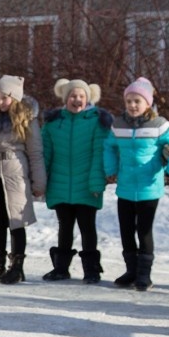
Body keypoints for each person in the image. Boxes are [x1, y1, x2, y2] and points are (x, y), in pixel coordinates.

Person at [103, 77, 169, 291]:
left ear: (147, 103)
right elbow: (108, 146)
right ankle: (131, 270)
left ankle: (144, 275)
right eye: (129, 101)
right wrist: (111, 169)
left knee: (143, 231)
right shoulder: (118, 125)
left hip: (149, 188)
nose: (133, 105)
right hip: (125, 187)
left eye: (137, 101)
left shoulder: (159, 125)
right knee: (126, 231)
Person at [0, 75, 46, 284]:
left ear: (14, 97)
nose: (0, 102)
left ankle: (17, 267)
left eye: (4, 97)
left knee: (17, 222)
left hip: (16, 177)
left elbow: (35, 153)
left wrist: (39, 183)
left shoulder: (27, 121)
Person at [41, 78, 111, 283]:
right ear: (65, 98)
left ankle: (91, 270)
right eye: (73, 96)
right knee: (64, 226)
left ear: (88, 98)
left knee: (87, 227)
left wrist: (97, 182)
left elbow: (100, 154)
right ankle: (61, 268)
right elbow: (45, 154)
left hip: (87, 186)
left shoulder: (97, 122)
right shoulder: (54, 124)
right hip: (60, 185)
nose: (77, 99)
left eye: (81, 96)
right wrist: (41, 182)